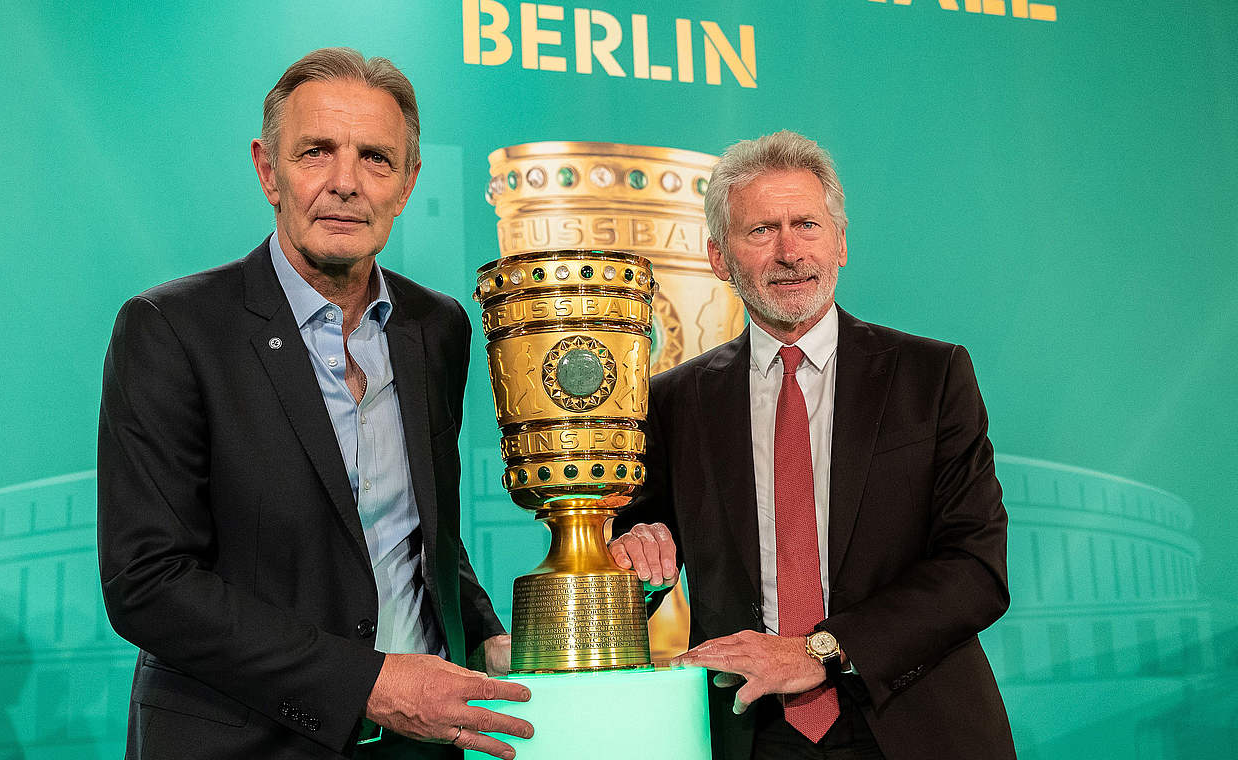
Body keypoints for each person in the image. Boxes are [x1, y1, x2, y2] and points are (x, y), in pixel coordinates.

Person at [97, 48, 532, 760]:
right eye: (315, 152)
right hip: (245, 744)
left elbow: (418, 531)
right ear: (268, 170)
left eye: (375, 159)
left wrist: (483, 635)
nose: (345, 183)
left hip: (420, 745)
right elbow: (148, 583)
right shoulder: (172, 329)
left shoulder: (438, 327)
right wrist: (366, 683)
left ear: (408, 181)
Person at [609, 130, 1013, 759]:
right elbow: (638, 561)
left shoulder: (930, 378)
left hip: (915, 720)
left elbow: (976, 568)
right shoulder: (671, 402)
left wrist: (820, 650)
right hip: (752, 732)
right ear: (719, 257)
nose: (789, 251)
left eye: (807, 224)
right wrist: (634, 553)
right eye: (761, 231)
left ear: (841, 243)